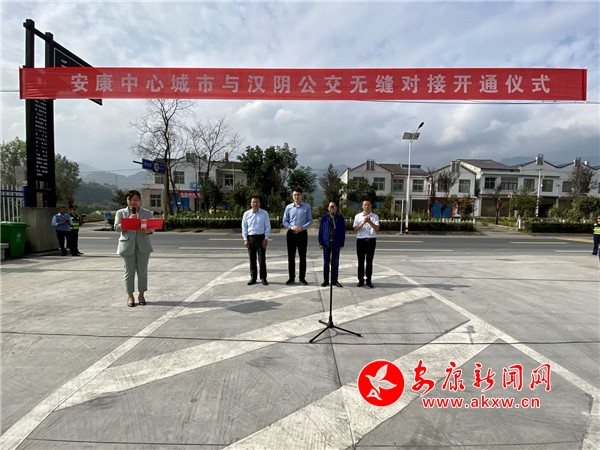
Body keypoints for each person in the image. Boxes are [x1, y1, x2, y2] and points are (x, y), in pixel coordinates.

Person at [114, 190, 154, 307]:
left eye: (136, 200)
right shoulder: (121, 213)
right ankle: (130, 296)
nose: (133, 202)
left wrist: (147, 230)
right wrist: (129, 221)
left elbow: (152, 228)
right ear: (127, 200)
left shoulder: (147, 213)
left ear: (140, 200)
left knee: (142, 272)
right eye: (130, 199)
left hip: (143, 245)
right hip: (127, 246)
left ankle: (141, 295)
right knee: (129, 272)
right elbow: (116, 228)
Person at [282, 187, 313, 285]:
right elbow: (284, 221)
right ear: (292, 196)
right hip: (291, 233)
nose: (296, 197)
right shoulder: (288, 207)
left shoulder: (306, 207)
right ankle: (291, 278)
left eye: (298, 195)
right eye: (295, 195)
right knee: (291, 257)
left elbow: (310, 220)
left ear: (301, 195)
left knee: (302, 257)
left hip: (302, 233)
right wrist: (291, 227)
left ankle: (302, 278)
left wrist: (303, 227)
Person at [242, 196, 271, 286]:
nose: (255, 204)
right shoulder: (246, 214)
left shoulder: (264, 213)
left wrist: (266, 238)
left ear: (259, 203)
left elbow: (267, 226)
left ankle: (263, 278)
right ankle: (253, 278)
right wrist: (245, 239)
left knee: (262, 259)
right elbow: (244, 227)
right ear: (251, 204)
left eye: (257, 202)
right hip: (251, 238)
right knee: (252, 259)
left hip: (261, 238)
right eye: (253, 202)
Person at [318, 201, 346, 287]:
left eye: (334, 206)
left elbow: (343, 231)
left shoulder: (340, 218)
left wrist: (342, 243)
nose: (332, 208)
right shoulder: (324, 218)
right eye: (331, 207)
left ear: (336, 208)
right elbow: (321, 231)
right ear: (328, 208)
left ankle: (334, 280)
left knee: (335, 262)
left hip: (336, 243)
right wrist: (320, 242)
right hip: (326, 243)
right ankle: (326, 280)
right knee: (326, 263)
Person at [353, 200, 380, 288]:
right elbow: (355, 229)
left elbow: (377, 229)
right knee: (360, 261)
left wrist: (370, 222)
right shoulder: (358, 216)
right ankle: (360, 280)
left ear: (371, 206)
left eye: (368, 205)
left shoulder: (375, 216)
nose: (367, 207)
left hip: (371, 240)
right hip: (361, 240)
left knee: (369, 261)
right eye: (365, 205)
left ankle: (369, 280)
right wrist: (363, 222)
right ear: (362, 206)